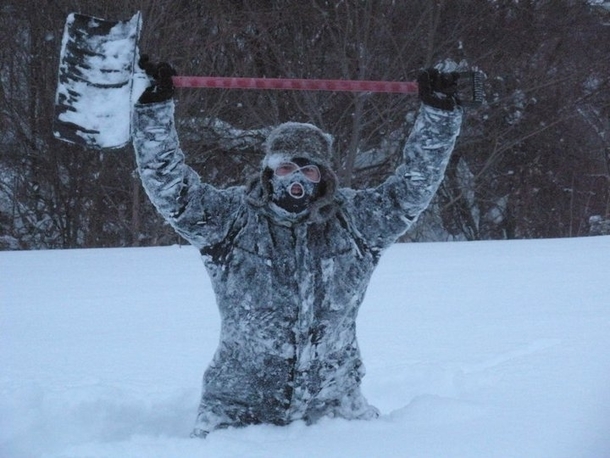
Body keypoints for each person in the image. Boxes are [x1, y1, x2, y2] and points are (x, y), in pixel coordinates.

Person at [133, 56, 464, 438]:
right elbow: (170, 186)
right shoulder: (230, 220)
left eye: (308, 170)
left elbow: (413, 187)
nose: (298, 179)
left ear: (323, 176)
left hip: (334, 409)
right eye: (287, 167)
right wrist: (154, 109)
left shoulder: (356, 223)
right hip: (238, 410)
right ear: (270, 171)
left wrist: (438, 114)